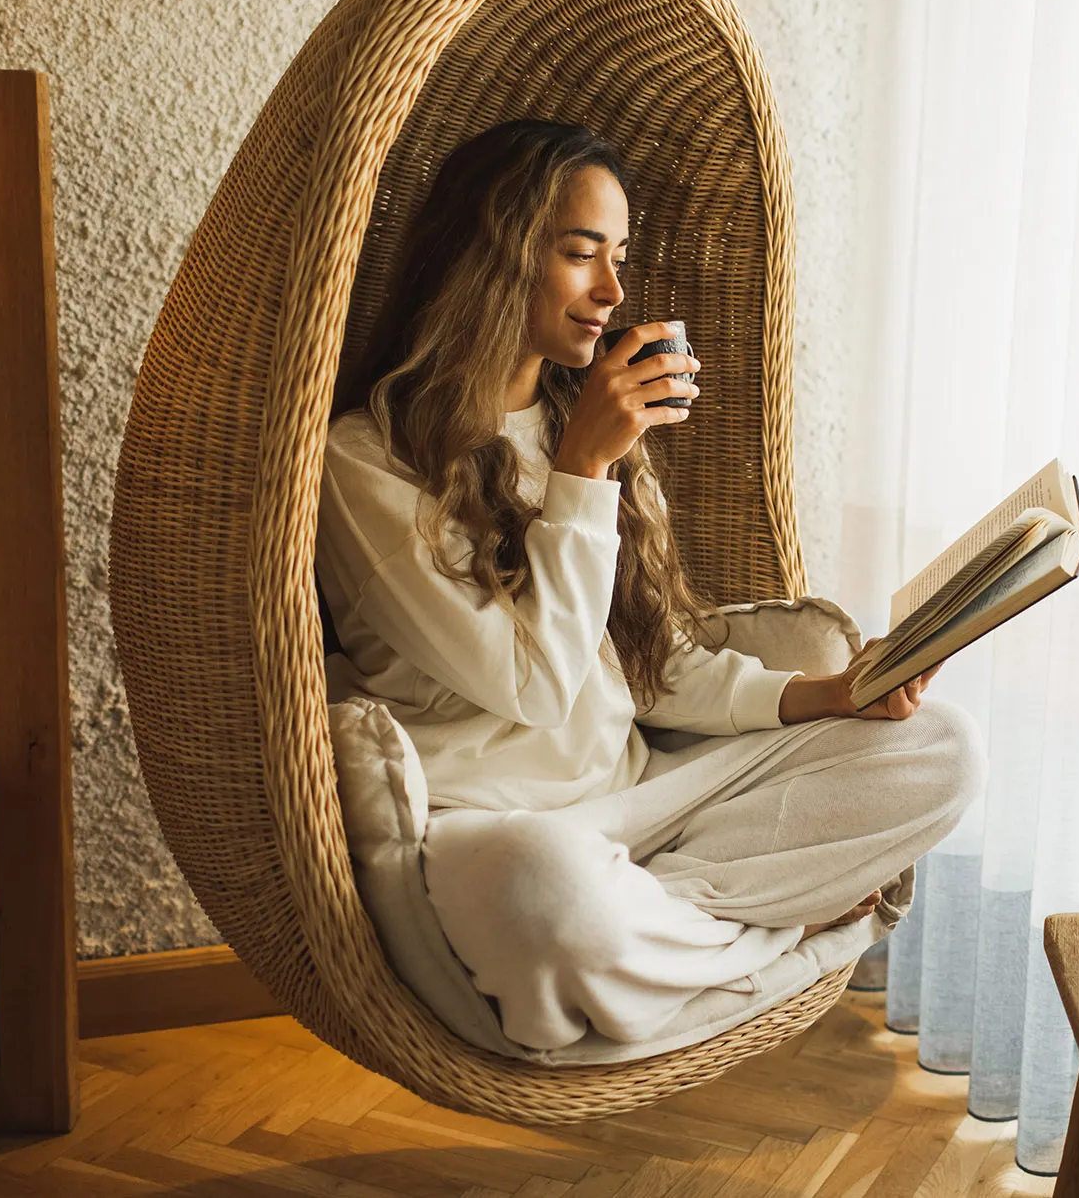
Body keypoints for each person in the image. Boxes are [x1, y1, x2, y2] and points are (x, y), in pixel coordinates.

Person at [317, 118, 982, 1053]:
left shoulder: (577, 423)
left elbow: (652, 663)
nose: (612, 292)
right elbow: (536, 685)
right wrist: (583, 472)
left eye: (619, 257)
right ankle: (772, 941)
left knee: (946, 749)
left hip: (647, 804)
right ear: (494, 256)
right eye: (581, 253)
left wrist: (816, 696)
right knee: (548, 897)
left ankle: (658, 935)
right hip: (498, 829)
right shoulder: (366, 463)